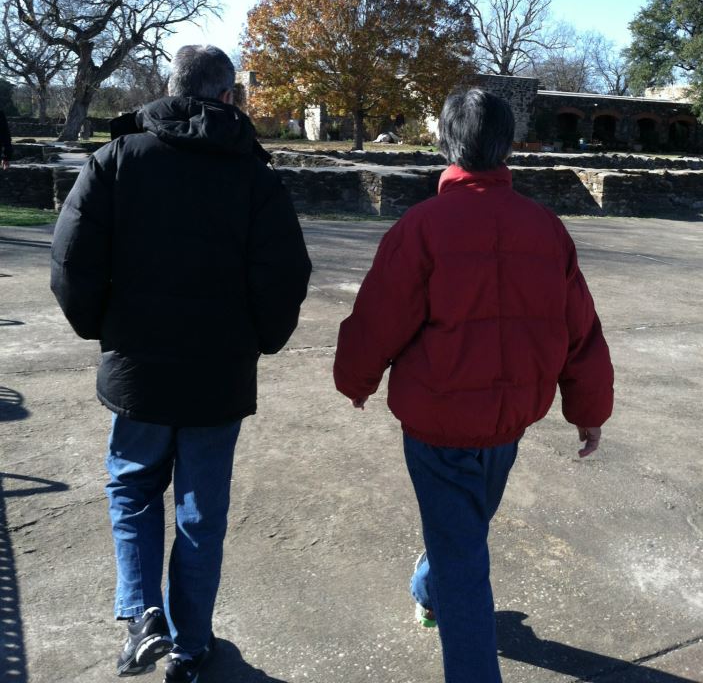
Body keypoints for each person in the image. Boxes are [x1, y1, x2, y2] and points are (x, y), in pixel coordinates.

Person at [333, 87, 613, 683]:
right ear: (507, 146)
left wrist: (357, 378)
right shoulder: (544, 228)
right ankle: (437, 598)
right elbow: (582, 328)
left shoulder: (423, 226)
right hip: (504, 421)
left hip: (440, 422)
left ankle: (435, 597)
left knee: (460, 540)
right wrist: (588, 408)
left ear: (444, 142)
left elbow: (377, 317)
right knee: (463, 539)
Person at [51, 45, 312, 683]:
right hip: (216, 374)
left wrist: (103, 327)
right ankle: (190, 645)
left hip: (138, 366)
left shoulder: (117, 159)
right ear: (226, 97)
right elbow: (284, 273)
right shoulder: (252, 173)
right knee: (200, 510)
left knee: (134, 488)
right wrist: (261, 339)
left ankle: (144, 614)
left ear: (171, 89)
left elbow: (71, 260)